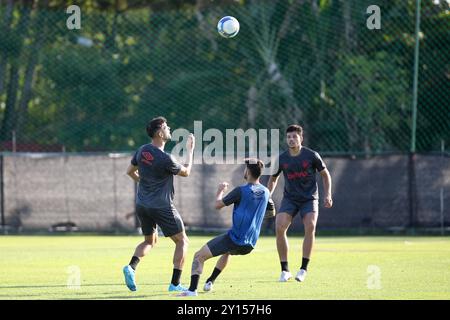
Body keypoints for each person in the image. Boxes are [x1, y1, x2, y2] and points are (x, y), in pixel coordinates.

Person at [178, 159, 273, 296]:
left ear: (248, 171)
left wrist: (220, 190)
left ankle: (192, 290)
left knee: (198, 256)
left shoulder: (240, 191)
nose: (244, 171)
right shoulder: (266, 192)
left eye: (245, 168)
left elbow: (217, 205)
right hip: (250, 244)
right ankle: (210, 281)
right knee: (227, 252)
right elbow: (271, 213)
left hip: (235, 239)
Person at [122, 116, 195, 292]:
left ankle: (131, 267)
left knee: (149, 240)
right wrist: (190, 151)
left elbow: (130, 172)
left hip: (142, 204)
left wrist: (144, 184)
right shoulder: (165, 158)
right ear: (159, 132)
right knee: (182, 241)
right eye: (166, 127)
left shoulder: (142, 150)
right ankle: (175, 284)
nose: (169, 129)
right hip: (161, 206)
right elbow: (186, 172)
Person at [268, 124, 332, 283]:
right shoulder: (282, 158)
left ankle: (303, 269)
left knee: (310, 226)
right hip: (290, 199)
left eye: (294, 136)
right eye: (288, 136)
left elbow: (325, 175)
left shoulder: (312, 155)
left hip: (309, 198)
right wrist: (267, 195)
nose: (291, 139)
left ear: (301, 138)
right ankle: (285, 270)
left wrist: (328, 194)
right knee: (279, 227)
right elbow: (273, 178)